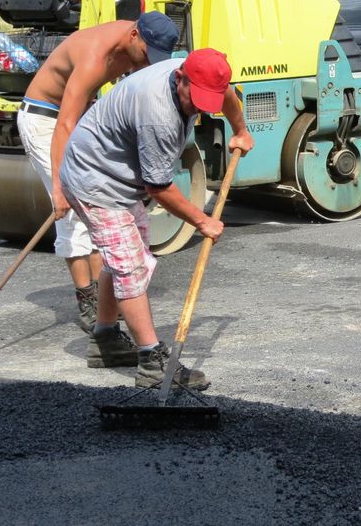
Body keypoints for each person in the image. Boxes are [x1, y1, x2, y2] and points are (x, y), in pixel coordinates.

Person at [58, 48, 254, 387]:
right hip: (97, 182)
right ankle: (152, 362)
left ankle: (105, 340)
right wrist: (201, 220)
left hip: (116, 177)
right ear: (180, 78)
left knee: (122, 260)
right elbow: (160, 187)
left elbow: (227, 96)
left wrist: (240, 128)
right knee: (130, 267)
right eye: (194, 99)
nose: (197, 108)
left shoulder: (203, 75)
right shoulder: (158, 113)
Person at [17, 12, 180, 332]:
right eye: (148, 55)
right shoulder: (95, 56)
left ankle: (107, 297)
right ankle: (88, 298)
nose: (149, 62)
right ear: (135, 37)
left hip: (82, 120)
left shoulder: (135, 43)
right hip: (46, 121)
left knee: (101, 208)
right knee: (74, 212)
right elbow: (64, 124)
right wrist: (60, 188)